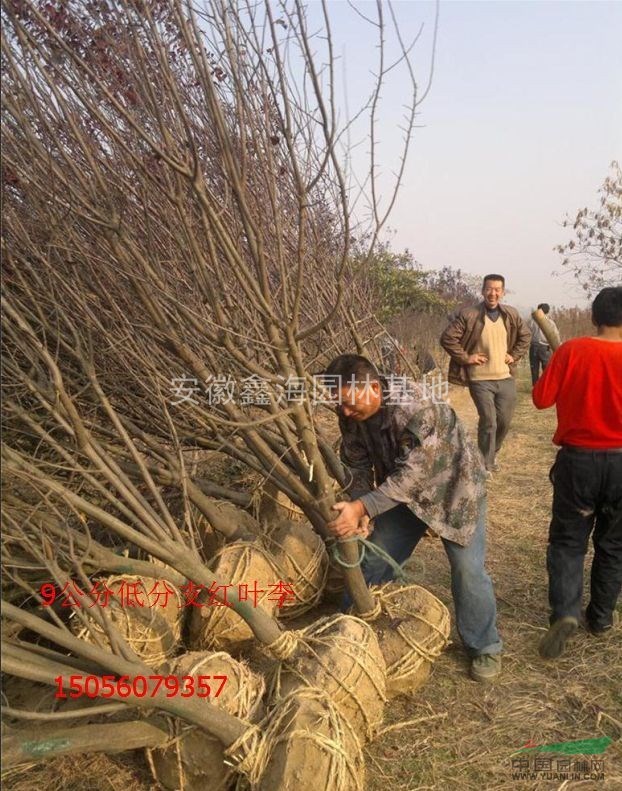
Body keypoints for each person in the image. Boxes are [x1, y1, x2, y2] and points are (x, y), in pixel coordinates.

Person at [323, 353, 503, 682]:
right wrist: (361, 504)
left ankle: (485, 646)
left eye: (349, 403)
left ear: (373, 387)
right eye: (340, 405)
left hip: (454, 491)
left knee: (467, 569)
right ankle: (349, 626)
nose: (345, 412)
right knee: (376, 557)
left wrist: (363, 508)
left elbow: (412, 477)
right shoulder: (349, 411)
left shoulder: (416, 408)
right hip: (402, 495)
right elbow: (357, 464)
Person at [533, 286, 622, 659]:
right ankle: (601, 618)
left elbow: (540, 399)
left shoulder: (571, 350)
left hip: (578, 461)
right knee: (613, 543)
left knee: (569, 542)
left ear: (593, 316)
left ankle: (566, 612)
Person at [440, 274, 531, 473]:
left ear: (503, 292)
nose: (493, 293)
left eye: (497, 289)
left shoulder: (511, 314)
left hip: (505, 377)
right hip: (479, 378)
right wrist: (467, 358)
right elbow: (447, 338)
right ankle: (484, 464)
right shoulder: (469, 314)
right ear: (482, 291)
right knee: (489, 420)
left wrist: (514, 355)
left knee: (504, 421)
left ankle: (492, 452)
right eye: (489, 289)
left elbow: (526, 335)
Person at [528, 303, 560, 386]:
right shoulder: (550, 322)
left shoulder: (532, 322)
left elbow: (527, 333)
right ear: (547, 311)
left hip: (534, 347)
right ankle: (546, 386)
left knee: (534, 368)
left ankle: (535, 386)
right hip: (545, 347)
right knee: (546, 369)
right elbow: (555, 335)